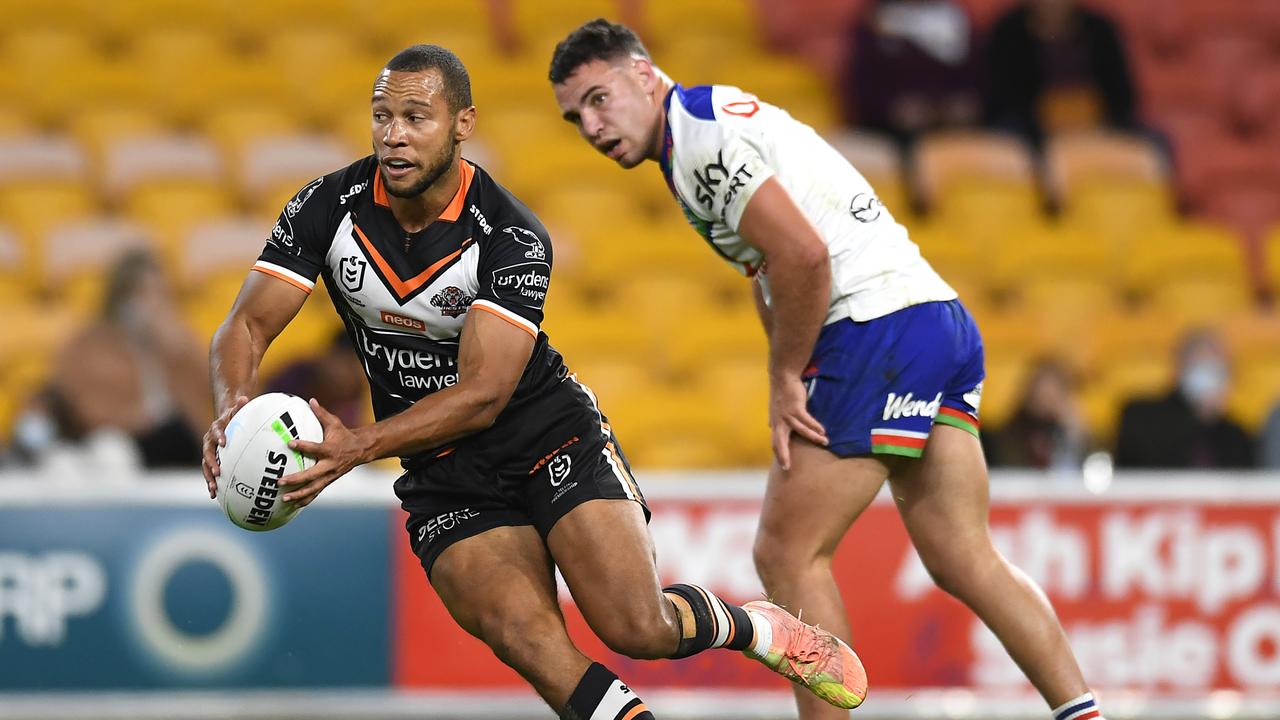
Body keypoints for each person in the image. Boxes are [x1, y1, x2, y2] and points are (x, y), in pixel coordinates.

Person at [201, 45, 866, 720]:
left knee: (638, 628)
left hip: (548, 435)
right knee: (534, 645)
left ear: (463, 125)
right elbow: (246, 326)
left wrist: (361, 445)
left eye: (416, 116)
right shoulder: (327, 206)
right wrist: (232, 409)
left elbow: (486, 392)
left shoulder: (510, 234)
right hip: (442, 471)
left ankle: (757, 627)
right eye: (382, 116)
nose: (394, 134)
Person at [549, 20, 1103, 720]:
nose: (593, 126)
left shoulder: (701, 140)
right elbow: (766, 268)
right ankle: (1084, 715)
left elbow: (803, 258)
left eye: (600, 99)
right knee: (963, 555)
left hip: (874, 327)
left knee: (787, 552)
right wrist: (785, 359)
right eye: (576, 118)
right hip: (933, 316)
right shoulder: (700, 131)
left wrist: (786, 380)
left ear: (642, 72)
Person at [48, 248, 208, 468]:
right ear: (120, 297)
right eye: (142, 293)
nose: (152, 304)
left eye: (159, 294)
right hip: (112, 441)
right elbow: (79, 406)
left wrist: (176, 349)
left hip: (175, 443)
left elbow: (206, 401)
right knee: (107, 452)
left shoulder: (179, 342)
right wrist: (133, 418)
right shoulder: (89, 344)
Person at [985, 0, 1137, 146]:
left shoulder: (1101, 29)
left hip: (1098, 123)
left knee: (1150, 141)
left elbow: (1121, 94)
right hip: (1031, 129)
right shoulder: (1008, 31)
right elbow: (1003, 98)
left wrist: (1100, 122)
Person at [840, 0, 984, 149]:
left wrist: (963, 103)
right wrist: (893, 109)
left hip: (953, 127)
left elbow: (974, 77)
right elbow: (862, 84)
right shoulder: (875, 21)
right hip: (890, 132)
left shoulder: (956, 18)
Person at [1115, 329, 1255, 468]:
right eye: (1204, 368)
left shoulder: (1236, 436)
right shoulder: (1141, 417)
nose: (1212, 380)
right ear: (1179, 369)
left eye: (1220, 370)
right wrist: (1198, 413)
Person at [986, 357, 1090, 471]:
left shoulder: (1067, 430)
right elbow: (1009, 468)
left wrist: (1074, 431)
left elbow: (1088, 469)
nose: (1046, 399)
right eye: (1042, 392)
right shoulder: (1011, 433)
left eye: (1053, 395)